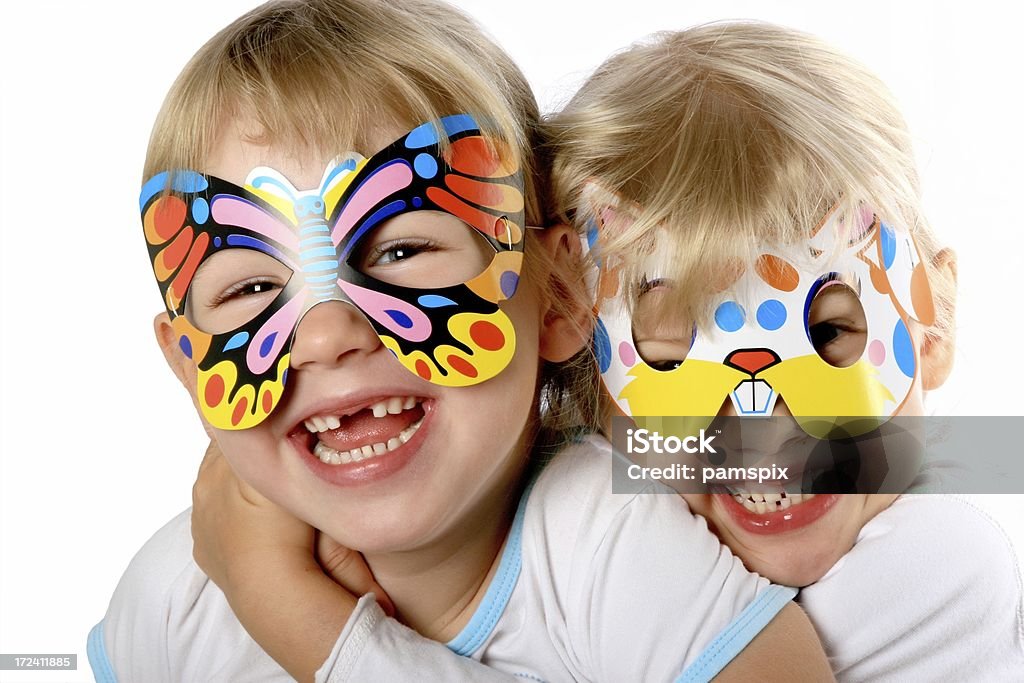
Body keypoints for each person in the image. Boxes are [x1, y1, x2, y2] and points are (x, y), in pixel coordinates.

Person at [88, 4, 833, 682]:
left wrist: (300, 619)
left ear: (559, 295)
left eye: (401, 250)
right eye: (249, 289)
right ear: (187, 364)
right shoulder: (172, 605)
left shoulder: (610, 543)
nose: (326, 333)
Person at [546, 21, 1024, 680]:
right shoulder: (582, 536)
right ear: (585, 370)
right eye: (672, 355)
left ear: (932, 328)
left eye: (829, 334)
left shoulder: (946, 570)